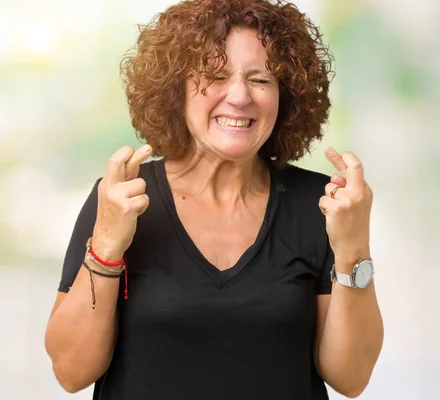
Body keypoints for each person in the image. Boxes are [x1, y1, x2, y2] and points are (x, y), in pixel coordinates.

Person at [44, 0, 383, 399]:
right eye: (216, 75)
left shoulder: (321, 204)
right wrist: (106, 245)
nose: (239, 96)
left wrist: (353, 247)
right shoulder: (123, 197)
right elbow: (71, 372)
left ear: (286, 96)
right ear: (177, 88)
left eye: (260, 80)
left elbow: (351, 377)